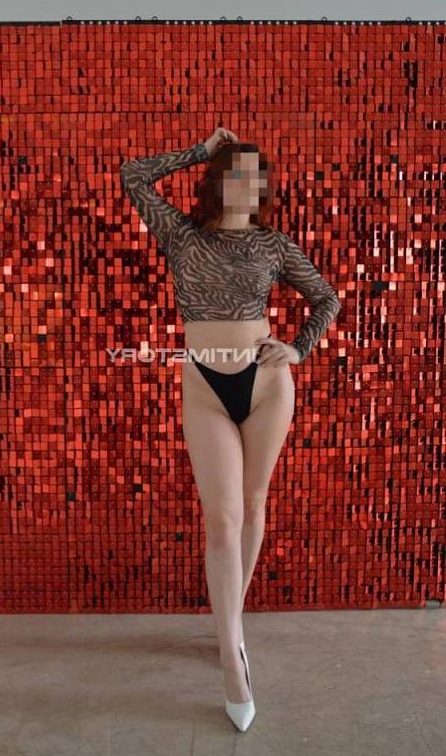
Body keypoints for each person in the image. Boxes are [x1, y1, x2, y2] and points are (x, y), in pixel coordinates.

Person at [120, 127, 342, 732]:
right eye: (234, 173)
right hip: (206, 386)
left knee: (253, 503)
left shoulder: (273, 244)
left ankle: (230, 629)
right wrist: (200, 149)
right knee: (221, 519)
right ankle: (231, 661)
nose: (246, 184)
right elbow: (132, 175)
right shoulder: (181, 234)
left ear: (263, 187)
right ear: (217, 182)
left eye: (255, 176)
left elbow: (326, 298)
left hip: (267, 385)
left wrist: (298, 348)